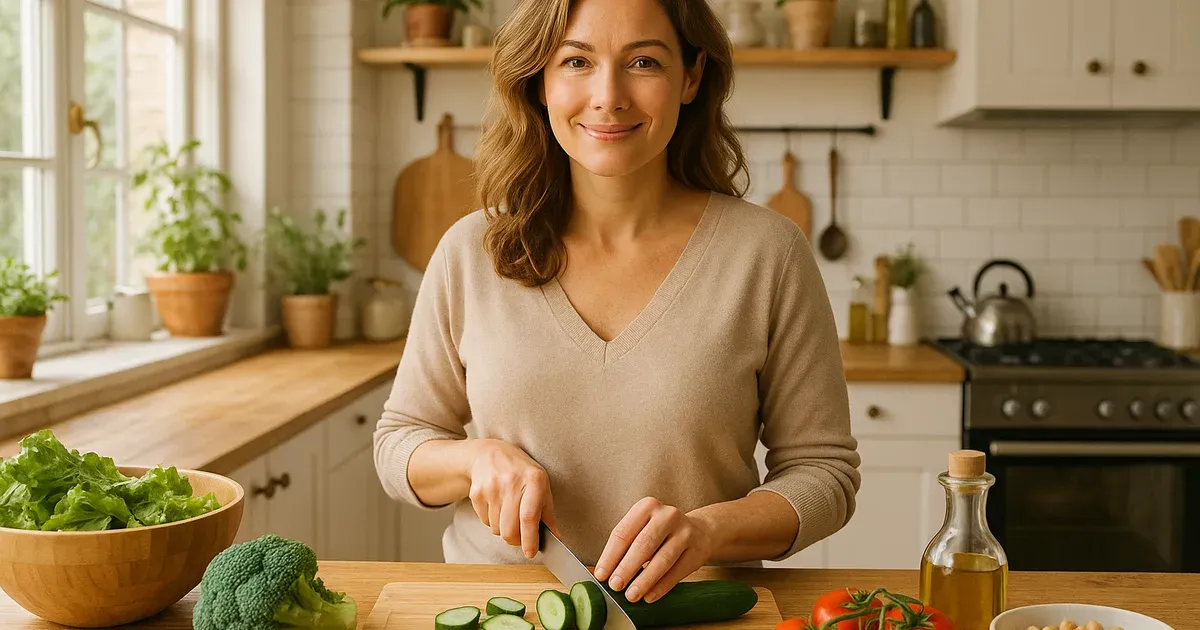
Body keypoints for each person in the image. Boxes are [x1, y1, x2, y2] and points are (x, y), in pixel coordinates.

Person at [373, 0, 860, 605]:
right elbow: (400, 442)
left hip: (692, 615)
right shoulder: (471, 251)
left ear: (691, 77)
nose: (609, 95)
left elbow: (825, 475)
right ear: (539, 81)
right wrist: (475, 460)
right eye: (577, 60)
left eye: (644, 62)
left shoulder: (767, 253)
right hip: (497, 612)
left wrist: (710, 530)